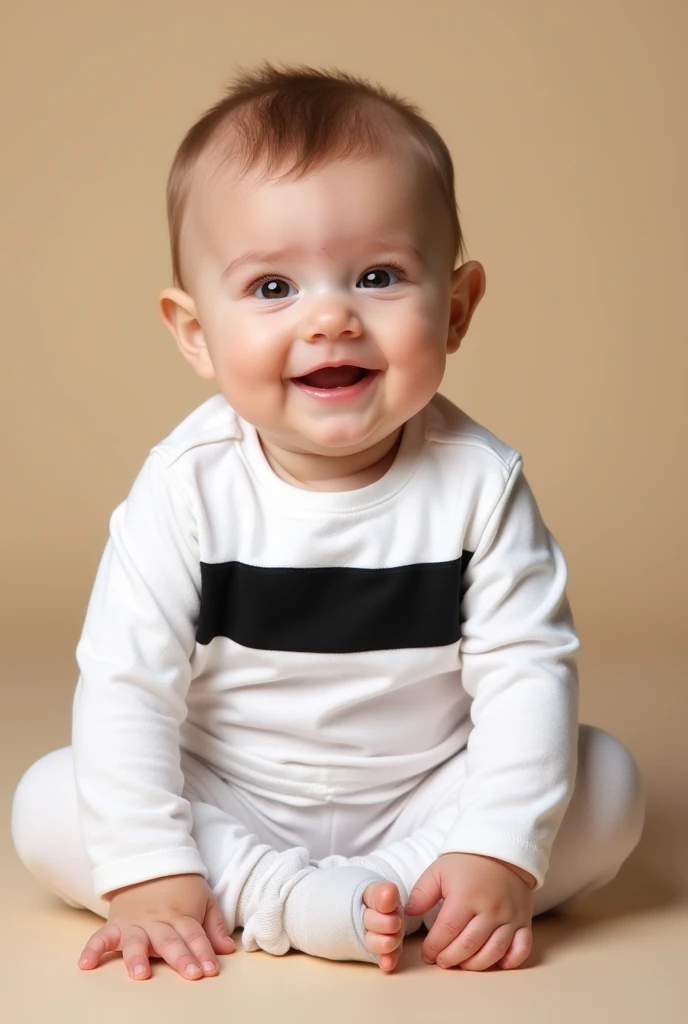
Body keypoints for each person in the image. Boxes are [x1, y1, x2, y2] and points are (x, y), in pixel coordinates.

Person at [11, 63, 645, 982]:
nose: (330, 318)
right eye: (272, 289)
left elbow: (524, 672)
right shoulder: (184, 489)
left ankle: (401, 895)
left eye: (379, 276)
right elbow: (127, 687)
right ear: (194, 333)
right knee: (51, 802)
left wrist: (499, 849)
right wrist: (151, 871)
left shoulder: (480, 483)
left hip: (424, 795)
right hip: (232, 800)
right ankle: (308, 899)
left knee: (609, 786)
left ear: (456, 308)